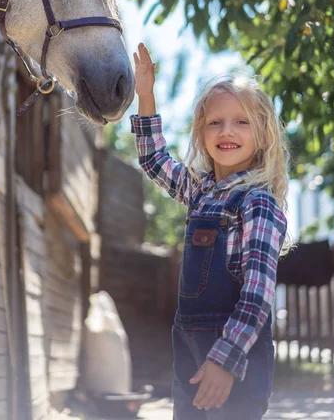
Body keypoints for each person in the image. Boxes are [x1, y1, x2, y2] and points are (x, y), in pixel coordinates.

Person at [130, 43, 290, 420]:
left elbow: (257, 296)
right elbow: (153, 159)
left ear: (264, 134)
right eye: (214, 122)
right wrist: (146, 94)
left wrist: (226, 360)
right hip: (188, 343)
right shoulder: (200, 191)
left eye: (241, 121)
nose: (226, 131)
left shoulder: (258, 203)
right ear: (201, 132)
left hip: (235, 355)